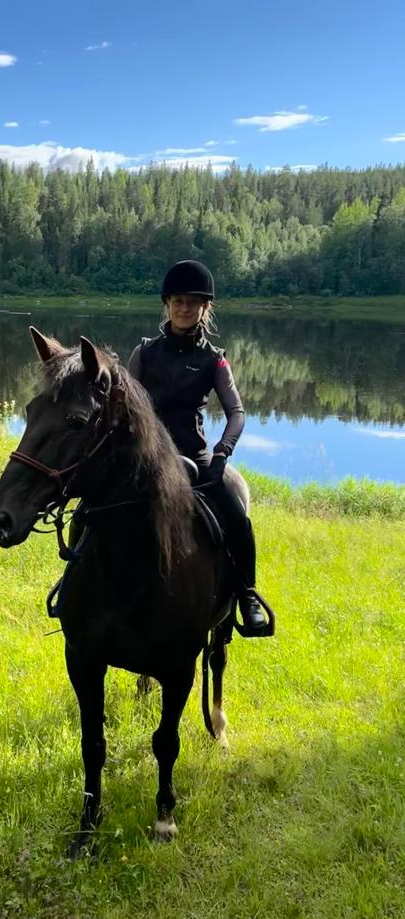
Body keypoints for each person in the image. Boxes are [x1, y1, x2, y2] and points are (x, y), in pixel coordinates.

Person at [127, 259, 272, 637]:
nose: (184, 307)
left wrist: (222, 453)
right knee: (92, 509)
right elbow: (123, 408)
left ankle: (247, 595)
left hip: (196, 459)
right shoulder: (144, 353)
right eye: (177, 300)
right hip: (148, 457)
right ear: (167, 304)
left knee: (237, 518)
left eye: (193, 301)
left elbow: (236, 413)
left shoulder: (213, 360)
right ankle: (72, 584)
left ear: (205, 307)